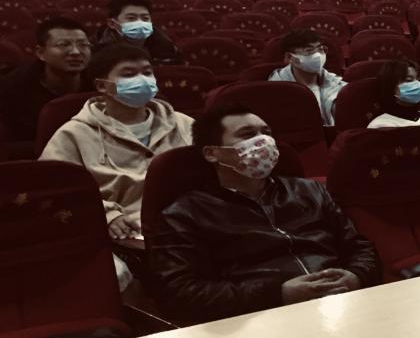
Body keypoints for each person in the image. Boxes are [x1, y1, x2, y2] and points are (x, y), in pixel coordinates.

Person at [149, 103, 381, 322]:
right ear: (212, 153)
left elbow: (359, 246)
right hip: (262, 321)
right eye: (247, 134)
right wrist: (277, 294)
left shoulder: (309, 190)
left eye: (266, 132)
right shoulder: (185, 214)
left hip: (343, 305)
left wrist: (357, 275)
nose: (263, 141)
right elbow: (179, 293)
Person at [40, 43, 193, 238]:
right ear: (102, 85)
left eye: (147, 73)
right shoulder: (74, 133)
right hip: (123, 231)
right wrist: (107, 215)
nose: (142, 80)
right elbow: (55, 189)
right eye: (129, 75)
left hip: (188, 221)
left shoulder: (184, 124)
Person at [0, 17, 91, 155]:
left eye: (83, 45)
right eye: (63, 45)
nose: (76, 52)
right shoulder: (10, 88)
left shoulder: (100, 80)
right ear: (41, 53)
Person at [268, 29, 345, 126]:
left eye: (320, 49)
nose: (318, 55)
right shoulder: (275, 89)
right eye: (309, 51)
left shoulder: (337, 84)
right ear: (289, 57)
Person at [93, 0, 181, 65]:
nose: (140, 23)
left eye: (145, 18)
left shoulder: (167, 49)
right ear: (112, 24)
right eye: (131, 18)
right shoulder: (98, 52)